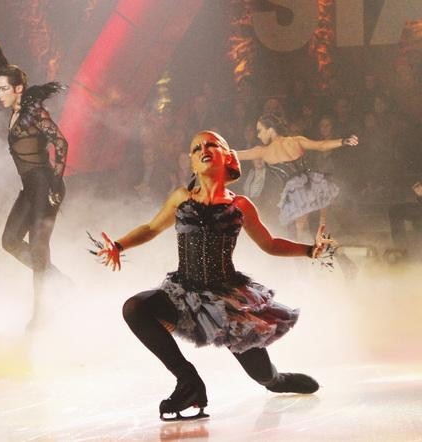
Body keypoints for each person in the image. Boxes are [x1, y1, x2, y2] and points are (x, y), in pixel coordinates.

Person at [93, 131, 335, 421]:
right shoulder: (181, 198)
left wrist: (311, 250)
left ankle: (276, 381)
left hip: (226, 303)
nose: (203, 149)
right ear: (193, 163)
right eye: (196, 148)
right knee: (135, 307)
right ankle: (188, 381)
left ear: (228, 157)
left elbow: (269, 244)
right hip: (181, 294)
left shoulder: (240, 205)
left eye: (211, 144)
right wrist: (119, 245)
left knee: (261, 374)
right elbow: (151, 228)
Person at [0, 37, 68, 329]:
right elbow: (9, 72)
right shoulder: (17, 109)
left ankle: (41, 314)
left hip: (45, 186)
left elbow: (61, 142)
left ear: (18, 90)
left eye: (3, 89)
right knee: (9, 241)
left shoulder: (33, 113)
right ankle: (58, 281)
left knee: (38, 249)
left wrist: (56, 182)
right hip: (29, 188)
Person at [236, 113, 358, 241]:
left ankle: (304, 256)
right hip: (312, 188)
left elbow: (237, 154)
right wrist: (343, 141)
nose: (258, 135)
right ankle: (324, 255)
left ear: (270, 130)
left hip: (295, 196)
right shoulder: (296, 140)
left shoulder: (263, 151)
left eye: (260, 130)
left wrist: (215, 149)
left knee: (299, 234)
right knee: (312, 232)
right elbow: (321, 145)